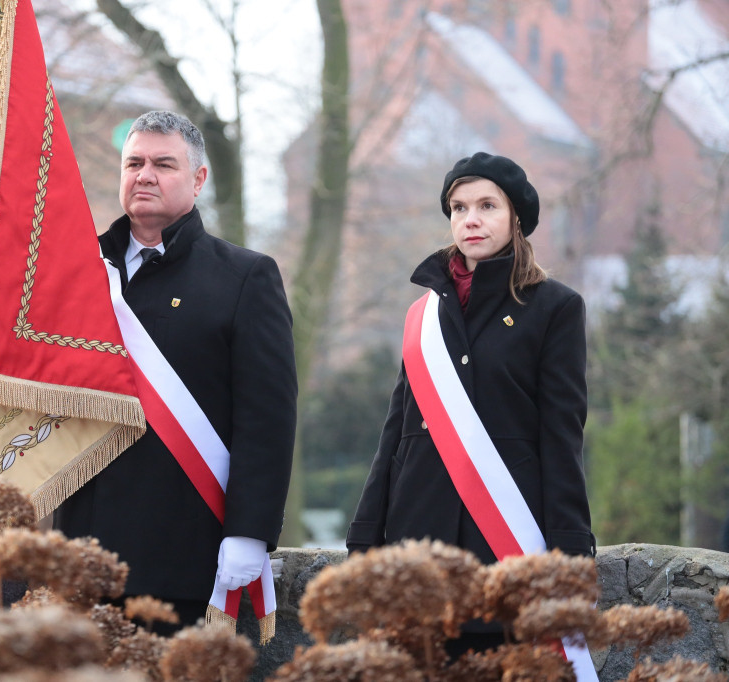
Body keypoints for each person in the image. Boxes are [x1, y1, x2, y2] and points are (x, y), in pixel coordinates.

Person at [55, 111, 297, 631]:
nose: (145, 175)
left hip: (181, 557)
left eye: (164, 164)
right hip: (79, 553)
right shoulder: (77, 271)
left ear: (198, 179)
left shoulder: (245, 276)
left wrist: (249, 530)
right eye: (134, 163)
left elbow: (267, 418)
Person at [347, 152, 594, 655]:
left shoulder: (556, 307)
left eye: (487, 206)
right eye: (459, 208)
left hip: (505, 539)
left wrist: (570, 547)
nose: (471, 219)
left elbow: (562, 434)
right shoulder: (423, 314)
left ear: (516, 218)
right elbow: (395, 431)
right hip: (418, 542)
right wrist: (365, 533)